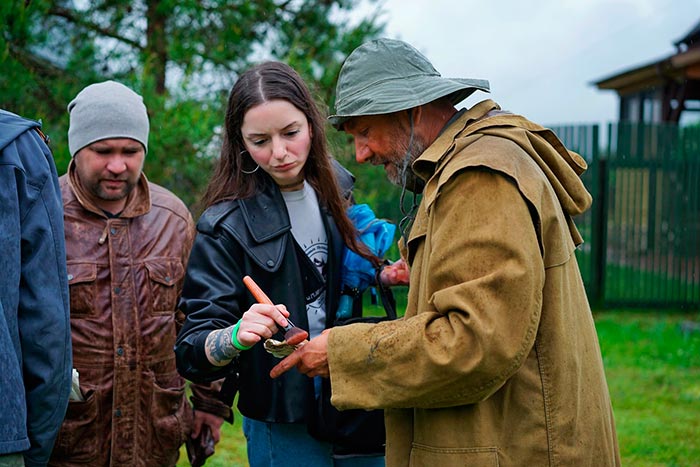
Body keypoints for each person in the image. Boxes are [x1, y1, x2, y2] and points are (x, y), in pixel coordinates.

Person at [270, 38, 622, 466]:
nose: (360, 154)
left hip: (519, 448)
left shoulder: (480, 177)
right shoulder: (471, 164)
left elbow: (473, 340)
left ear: (411, 109)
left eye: (365, 132)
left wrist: (341, 352)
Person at [174, 61, 386, 467]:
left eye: (291, 133)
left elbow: (342, 277)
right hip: (283, 418)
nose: (280, 153)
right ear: (239, 143)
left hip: (357, 404)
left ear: (312, 125)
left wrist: (383, 270)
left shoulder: (337, 193)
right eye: (259, 140)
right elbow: (190, 350)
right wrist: (236, 335)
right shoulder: (223, 226)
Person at [49, 81, 232, 467]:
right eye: (103, 151)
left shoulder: (173, 219)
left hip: (154, 433)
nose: (118, 165)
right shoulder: (44, 215)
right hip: (68, 438)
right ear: (76, 149)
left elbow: (198, 317)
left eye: (130, 151)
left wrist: (210, 404)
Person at [0, 110, 72, 467]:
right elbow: (46, 326)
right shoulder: (17, 148)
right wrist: (35, 449)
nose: (117, 166)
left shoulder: (172, 217)